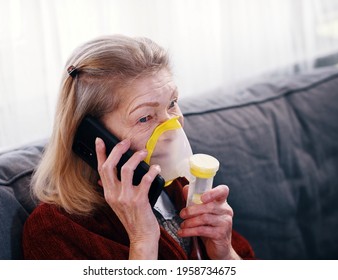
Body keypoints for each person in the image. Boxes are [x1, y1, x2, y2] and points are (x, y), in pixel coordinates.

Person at [22, 35, 255, 260]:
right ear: (93, 135)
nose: (173, 126)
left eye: (172, 104)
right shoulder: (56, 229)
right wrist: (143, 241)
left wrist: (223, 254)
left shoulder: (177, 186)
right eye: (145, 118)